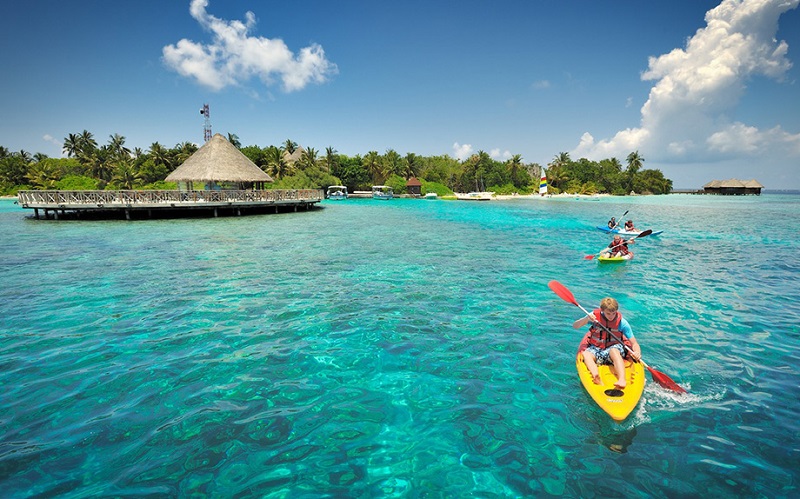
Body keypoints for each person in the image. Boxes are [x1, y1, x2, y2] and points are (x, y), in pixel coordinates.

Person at [573, 297, 641, 389]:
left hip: (614, 348)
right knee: (586, 354)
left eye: (613, 313)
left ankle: (622, 380)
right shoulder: (594, 317)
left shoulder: (622, 323)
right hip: (597, 348)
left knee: (613, 350)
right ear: (602, 310)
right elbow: (575, 326)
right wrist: (587, 319)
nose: (611, 316)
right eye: (608, 313)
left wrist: (637, 352)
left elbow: (634, 343)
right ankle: (596, 375)